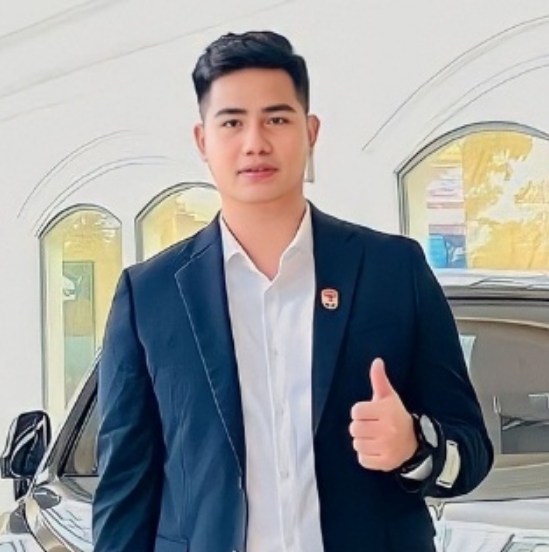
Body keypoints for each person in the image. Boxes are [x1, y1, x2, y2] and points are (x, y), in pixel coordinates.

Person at [92, 30, 493, 552]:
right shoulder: (149, 297)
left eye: (276, 119)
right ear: (202, 141)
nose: (255, 142)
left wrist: (414, 446)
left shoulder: (393, 271)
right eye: (232, 122)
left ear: (310, 131)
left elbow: (472, 451)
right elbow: (124, 492)